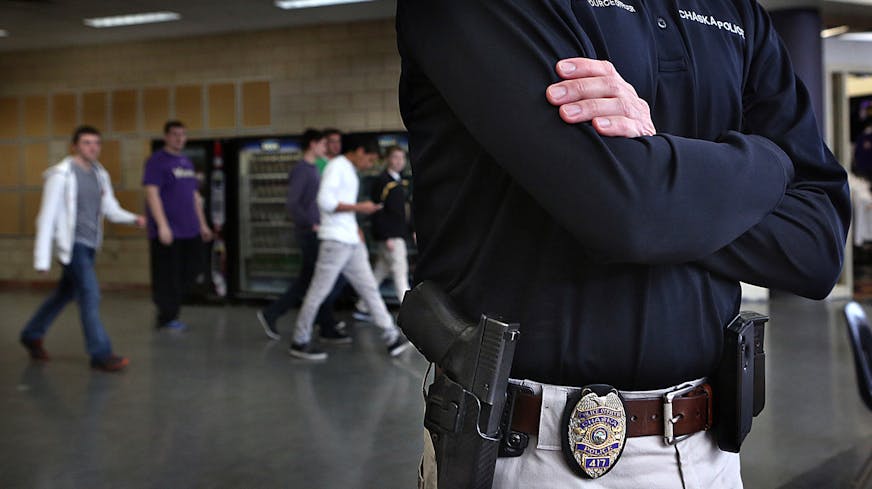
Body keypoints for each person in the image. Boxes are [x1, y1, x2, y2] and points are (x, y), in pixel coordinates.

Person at [397, 2, 850, 488]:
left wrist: (656, 182)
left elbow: (816, 246)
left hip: (710, 454)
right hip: (524, 453)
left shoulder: (736, 11)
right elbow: (629, 214)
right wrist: (772, 160)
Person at [20, 125, 146, 372]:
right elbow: (46, 217)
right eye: (87, 143)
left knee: (65, 293)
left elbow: (110, 208)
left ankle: (31, 334)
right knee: (90, 294)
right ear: (75, 146)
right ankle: (100, 353)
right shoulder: (61, 175)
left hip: (89, 246)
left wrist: (134, 218)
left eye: (97, 143)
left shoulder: (100, 174)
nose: (93, 148)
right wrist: (42, 259)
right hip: (72, 245)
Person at [289, 134, 412, 361]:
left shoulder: (347, 170)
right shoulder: (337, 167)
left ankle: (391, 337)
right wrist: (359, 207)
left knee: (369, 289)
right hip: (335, 242)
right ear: (359, 151)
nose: (371, 164)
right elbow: (325, 202)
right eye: (370, 159)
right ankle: (300, 340)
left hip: (349, 240)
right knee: (318, 292)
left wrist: (356, 228)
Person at [257, 129, 348, 342]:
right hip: (309, 234)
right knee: (324, 279)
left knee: (312, 280)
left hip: (315, 231)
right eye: (323, 144)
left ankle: (321, 322)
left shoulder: (312, 169)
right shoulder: (303, 170)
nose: (325, 148)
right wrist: (311, 224)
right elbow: (293, 203)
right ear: (313, 144)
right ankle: (320, 324)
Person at [143, 120, 214, 331]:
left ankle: (170, 308)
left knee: (193, 269)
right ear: (166, 137)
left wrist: (202, 224)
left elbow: (194, 196)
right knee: (167, 275)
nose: (179, 138)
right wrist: (162, 225)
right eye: (175, 134)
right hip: (168, 231)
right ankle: (166, 316)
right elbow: (152, 193)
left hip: (189, 228)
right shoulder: (156, 161)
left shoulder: (186, 162)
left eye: (183, 134)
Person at [354, 145, 412, 317]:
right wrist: (386, 235)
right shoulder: (383, 182)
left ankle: (362, 306)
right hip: (391, 236)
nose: (399, 161)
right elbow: (377, 210)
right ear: (387, 159)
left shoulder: (401, 182)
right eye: (395, 157)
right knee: (400, 273)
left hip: (396, 234)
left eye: (402, 158)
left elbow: (405, 209)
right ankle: (410, 312)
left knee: (380, 272)